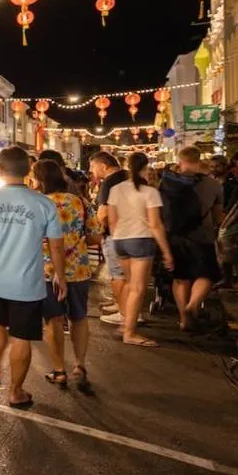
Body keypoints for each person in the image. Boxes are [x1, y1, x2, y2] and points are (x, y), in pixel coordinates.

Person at [0, 146, 65, 409]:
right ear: (28, 171)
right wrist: (60, 276)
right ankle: (15, 391)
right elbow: (56, 246)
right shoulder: (44, 203)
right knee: (21, 336)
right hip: (28, 283)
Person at [33, 159, 100, 388]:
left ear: (40, 181)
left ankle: (59, 370)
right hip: (79, 269)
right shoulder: (80, 202)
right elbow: (95, 236)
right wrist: (75, 241)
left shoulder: (38, 204)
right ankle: (80, 365)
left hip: (47, 271)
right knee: (79, 318)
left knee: (53, 321)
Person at [105, 152, 174, 347]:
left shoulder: (116, 189)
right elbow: (155, 224)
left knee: (129, 283)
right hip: (141, 240)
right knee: (138, 288)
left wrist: (117, 236)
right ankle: (129, 332)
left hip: (120, 240)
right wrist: (166, 251)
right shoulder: (150, 192)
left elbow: (111, 220)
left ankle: (125, 322)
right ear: (145, 168)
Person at [160, 146, 224, 331]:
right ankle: (193, 304)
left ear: (180, 161)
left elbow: (159, 212)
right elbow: (218, 216)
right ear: (199, 161)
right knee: (206, 275)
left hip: (174, 237)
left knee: (181, 278)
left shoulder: (166, 183)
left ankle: (183, 318)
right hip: (202, 237)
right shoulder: (213, 185)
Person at [89, 151, 129, 322]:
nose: (91, 170)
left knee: (118, 275)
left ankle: (125, 313)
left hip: (115, 233)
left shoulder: (109, 182)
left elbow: (103, 213)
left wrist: (95, 230)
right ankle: (123, 306)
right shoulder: (127, 176)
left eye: (93, 167)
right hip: (131, 231)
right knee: (125, 275)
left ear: (103, 166)